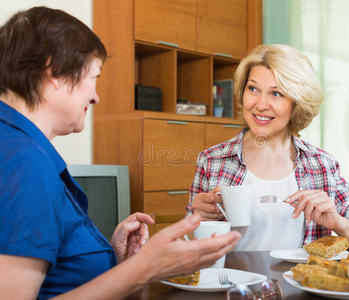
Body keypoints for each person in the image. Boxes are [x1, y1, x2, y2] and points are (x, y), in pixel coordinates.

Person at [0, 7, 240, 299]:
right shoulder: (26, 164)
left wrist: (108, 259)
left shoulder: (17, 146)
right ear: (54, 73)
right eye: (93, 77)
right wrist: (145, 268)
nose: (96, 95)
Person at [189, 44, 349, 251]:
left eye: (277, 93)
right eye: (253, 89)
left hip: (301, 282)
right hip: (234, 282)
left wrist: (338, 222)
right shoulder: (212, 160)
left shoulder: (322, 165)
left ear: (297, 103)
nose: (261, 104)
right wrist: (197, 220)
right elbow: (187, 249)